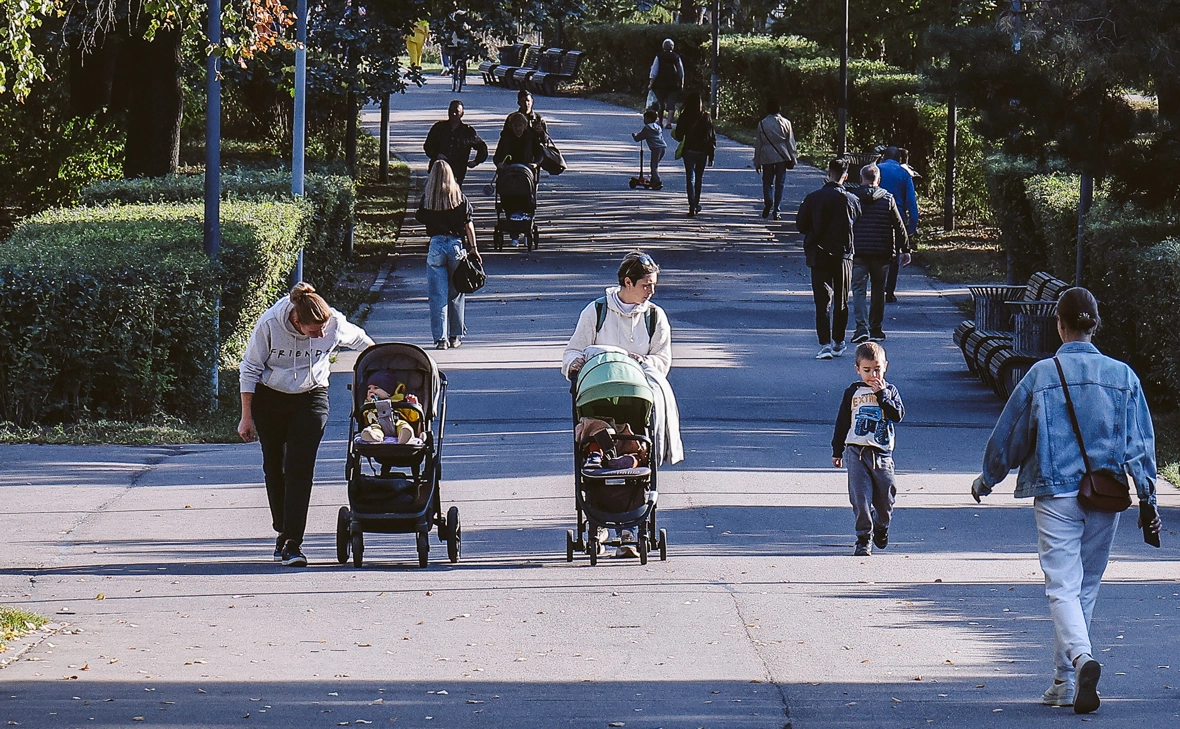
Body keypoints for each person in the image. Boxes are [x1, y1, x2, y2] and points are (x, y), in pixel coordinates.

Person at [971, 287, 1161, 715]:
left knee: (1061, 586)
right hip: (1106, 494)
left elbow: (1012, 433)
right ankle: (1064, 681)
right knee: (1085, 588)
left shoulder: (1041, 374)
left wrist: (988, 478)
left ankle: (1079, 661)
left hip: (1056, 493)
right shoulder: (1123, 376)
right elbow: (1140, 444)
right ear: (1095, 324)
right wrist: (1147, 495)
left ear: (1059, 325)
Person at [238, 282, 375, 567]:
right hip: (271, 397)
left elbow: (365, 345)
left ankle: (292, 542)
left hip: (312, 396)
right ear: (296, 320)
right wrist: (246, 416)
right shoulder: (270, 324)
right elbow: (250, 368)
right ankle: (283, 527)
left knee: (300, 468)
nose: (321, 335)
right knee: (275, 466)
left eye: (323, 329)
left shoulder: (334, 323)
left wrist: (379, 373)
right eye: (314, 332)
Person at [562, 252, 684, 555]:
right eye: (646, 285)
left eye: (653, 284)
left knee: (635, 450)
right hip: (598, 394)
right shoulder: (597, 311)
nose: (651, 291)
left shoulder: (655, 316)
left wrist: (640, 361)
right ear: (627, 282)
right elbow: (573, 350)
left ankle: (631, 528)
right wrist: (573, 364)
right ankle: (598, 524)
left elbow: (663, 359)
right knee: (598, 446)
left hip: (637, 396)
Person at [831, 342, 905, 556]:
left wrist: (882, 395)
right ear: (857, 369)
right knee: (860, 497)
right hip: (856, 451)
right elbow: (842, 422)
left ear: (885, 367)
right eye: (867, 370)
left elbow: (897, 415)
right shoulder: (853, 392)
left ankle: (881, 525)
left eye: (877, 369)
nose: (873, 375)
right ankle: (863, 538)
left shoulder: (890, 391)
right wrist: (837, 450)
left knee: (886, 498)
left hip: (882, 453)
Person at [796, 158, 861, 359]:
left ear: (828, 174)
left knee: (822, 300)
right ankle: (838, 341)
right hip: (844, 255)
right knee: (842, 300)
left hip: (819, 253)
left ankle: (824, 344)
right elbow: (858, 222)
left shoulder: (813, 198)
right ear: (846, 177)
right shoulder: (852, 200)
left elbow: (801, 225)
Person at [416, 160, 481, 350]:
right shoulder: (459, 197)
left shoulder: (428, 198)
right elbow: (468, 224)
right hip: (456, 246)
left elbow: (420, 216)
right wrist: (474, 248)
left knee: (437, 295)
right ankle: (455, 336)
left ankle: (440, 339)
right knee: (456, 292)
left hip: (436, 245)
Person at [849, 164, 910, 343]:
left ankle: (861, 327)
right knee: (878, 290)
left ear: (861, 179)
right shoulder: (888, 199)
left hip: (858, 251)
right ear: (879, 180)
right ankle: (876, 328)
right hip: (882, 253)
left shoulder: (852, 198)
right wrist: (905, 249)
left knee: (858, 290)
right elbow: (899, 226)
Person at [877, 146, 919, 303]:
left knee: (876, 254)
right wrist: (911, 227)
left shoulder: (875, 170)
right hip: (897, 218)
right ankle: (889, 291)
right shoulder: (904, 174)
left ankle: (877, 287)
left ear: (884, 157)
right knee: (895, 254)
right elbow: (911, 203)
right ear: (899, 159)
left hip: (877, 215)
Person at [423, 100, 488, 188]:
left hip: (457, 173)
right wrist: (436, 155)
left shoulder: (467, 131)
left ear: (462, 114)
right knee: (434, 194)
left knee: (454, 195)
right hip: (438, 171)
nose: (453, 114)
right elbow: (427, 146)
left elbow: (482, 148)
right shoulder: (438, 128)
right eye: (451, 111)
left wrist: (475, 162)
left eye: (456, 112)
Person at [671, 91, 716, 218]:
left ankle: (692, 204)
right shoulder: (706, 117)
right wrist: (711, 155)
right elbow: (711, 137)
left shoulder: (684, 116)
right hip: (702, 151)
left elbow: (679, 135)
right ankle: (696, 203)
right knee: (699, 178)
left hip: (689, 150)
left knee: (690, 177)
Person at [753, 98, 797, 220]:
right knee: (780, 183)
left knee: (767, 181)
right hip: (782, 156)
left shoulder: (762, 123)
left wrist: (757, 161)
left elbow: (758, 144)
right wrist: (793, 157)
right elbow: (790, 142)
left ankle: (768, 200)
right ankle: (777, 210)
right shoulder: (786, 123)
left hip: (766, 156)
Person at [648, 38, 685, 128]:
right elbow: (681, 71)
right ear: (672, 47)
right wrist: (682, 82)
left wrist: (651, 83)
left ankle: (660, 121)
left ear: (663, 47)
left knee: (660, 103)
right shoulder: (676, 57)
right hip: (673, 84)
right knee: (671, 104)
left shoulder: (659, 56)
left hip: (660, 85)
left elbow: (654, 71)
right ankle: (668, 123)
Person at [632, 109, 666, 188]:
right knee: (655, 165)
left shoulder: (647, 128)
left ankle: (657, 181)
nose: (644, 120)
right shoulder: (658, 127)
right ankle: (653, 180)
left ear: (649, 119)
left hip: (656, 148)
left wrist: (635, 135)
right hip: (663, 147)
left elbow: (639, 137)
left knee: (653, 166)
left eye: (645, 118)